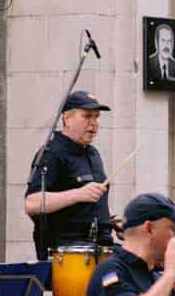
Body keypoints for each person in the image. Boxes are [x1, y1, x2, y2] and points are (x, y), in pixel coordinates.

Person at [23, 91, 112, 259]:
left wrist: (109, 222)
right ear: (67, 118)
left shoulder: (93, 153)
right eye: (87, 116)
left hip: (101, 245)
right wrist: (78, 194)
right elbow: (32, 203)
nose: (94, 123)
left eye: (96, 117)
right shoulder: (51, 153)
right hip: (69, 252)